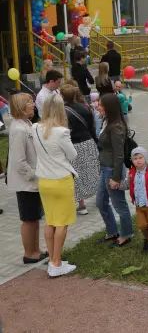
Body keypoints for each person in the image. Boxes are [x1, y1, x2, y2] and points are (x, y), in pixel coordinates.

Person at [30, 95, 78, 277]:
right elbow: (72, 155)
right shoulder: (61, 132)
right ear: (60, 110)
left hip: (44, 180)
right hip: (61, 180)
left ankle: (53, 260)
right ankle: (56, 263)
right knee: (62, 223)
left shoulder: (34, 127)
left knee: (50, 221)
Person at [7, 93, 48, 265]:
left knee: (34, 218)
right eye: (30, 102)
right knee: (29, 219)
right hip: (26, 183)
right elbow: (19, 161)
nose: (33, 104)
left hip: (32, 181)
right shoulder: (19, 129)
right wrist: (34, 174)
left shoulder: (26, 124)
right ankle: (29, 253)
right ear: (21, 107)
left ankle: (35, 250)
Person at [111, 146, 148, 253]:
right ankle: (147, 239)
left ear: (145, 158)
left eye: (140, 157)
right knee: (142, 225)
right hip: (139, 206)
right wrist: (117, 185)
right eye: (135, 159)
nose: (138, 160)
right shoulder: (131, 173)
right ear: (132, 161)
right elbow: (126, 185)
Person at [95, 93, 133, 247]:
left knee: (119, 204)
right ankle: (112, 231)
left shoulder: (116, 127)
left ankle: (126, 234)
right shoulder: (106, 121)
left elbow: (119, 155)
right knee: (100, 202)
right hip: (105, 168)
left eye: (101, 105)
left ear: (109, 107)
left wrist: (116, 178)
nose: (98, 106)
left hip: (112, 170)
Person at [61, 85, 100, 216]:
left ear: (62, 96)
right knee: (93, 170)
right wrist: (95, 141)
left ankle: (82, 205)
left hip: (73, 145)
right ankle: (100, 197)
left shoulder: (63, 112)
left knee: (76, 175)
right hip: (88, 142)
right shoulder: (86, 107)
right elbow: (92, 126)